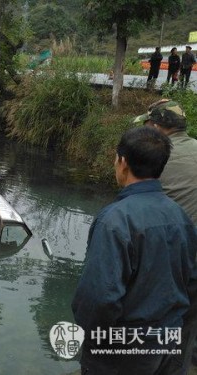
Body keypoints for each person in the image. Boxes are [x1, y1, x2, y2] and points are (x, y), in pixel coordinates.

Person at [72, 126, 197, 375]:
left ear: (122, 162)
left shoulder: (115, 220)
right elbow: (191, 281)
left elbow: (99, 299)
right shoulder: (180, 215)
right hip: (169, 342)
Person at [134, 99, 197, 374]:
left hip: (171, 258)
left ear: (158, 127)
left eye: (148, 125)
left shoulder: (156, 158)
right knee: (188, 326)